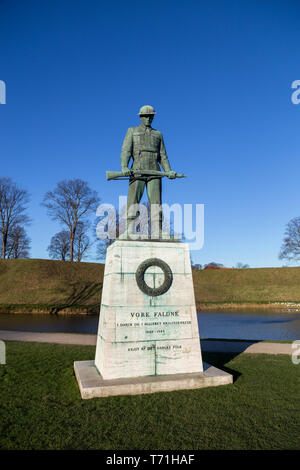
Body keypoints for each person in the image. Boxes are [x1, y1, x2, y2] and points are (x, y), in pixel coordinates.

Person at [120, 105, 176, 237]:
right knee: (133, 201)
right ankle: (130, 229)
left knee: (156, 202)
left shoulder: (158, 134)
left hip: (155, 171)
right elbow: (126, 151)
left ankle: (158, 230)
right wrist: (124, 166)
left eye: (151, 116)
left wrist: (168, 170)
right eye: (145, 116)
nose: (148, 118)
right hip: (137, 170)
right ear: (140, 117)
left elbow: (163, 155)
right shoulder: (132, 131)